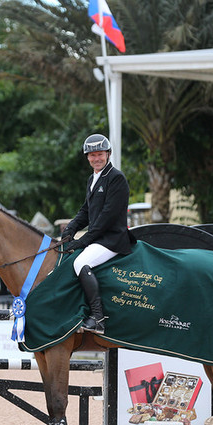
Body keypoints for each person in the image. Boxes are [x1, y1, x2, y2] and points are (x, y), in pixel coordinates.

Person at [61, 134, 136, 334]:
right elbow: (86, 210)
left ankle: (98, 317)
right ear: (87, 157)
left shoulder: (116, 178)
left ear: (108, 154)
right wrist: (71, 228)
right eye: (92, 155)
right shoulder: (92, 179)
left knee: (80, 263)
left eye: (100, 154)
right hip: (99, 238)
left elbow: (106, 217)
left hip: (112, 239)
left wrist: (83, 240)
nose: (96, 159)